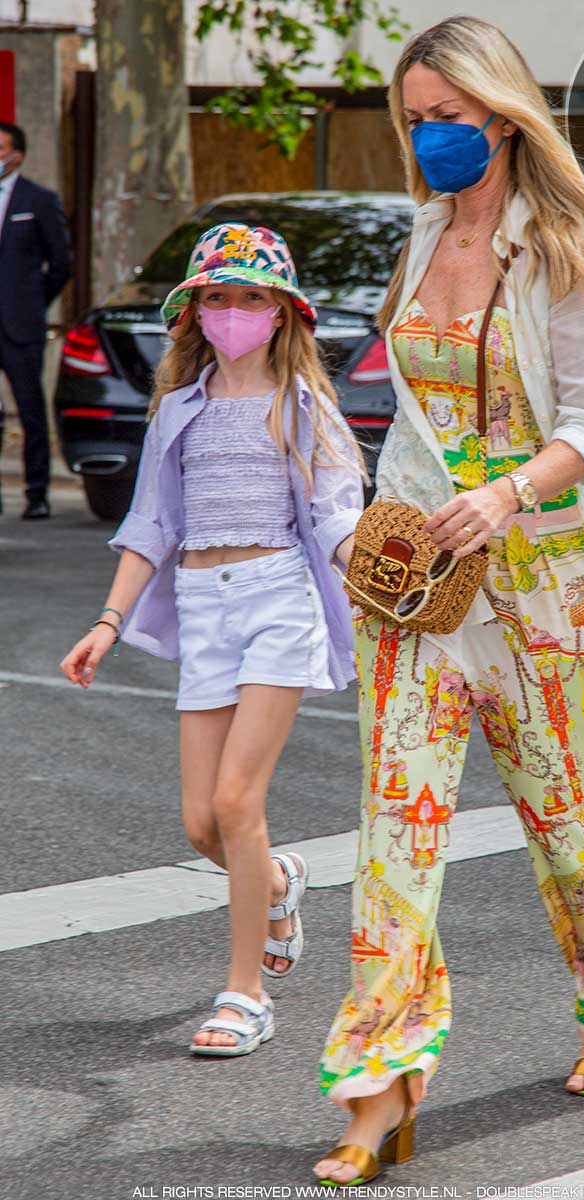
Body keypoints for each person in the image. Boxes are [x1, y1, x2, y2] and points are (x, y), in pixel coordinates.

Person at [313, 17, 584, 1185]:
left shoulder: (561, 247)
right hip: (420, 584)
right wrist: (366, 514)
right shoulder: (417, 233)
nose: (429, 137)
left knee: (572, 811)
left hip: (535, 578)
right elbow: (401, 406)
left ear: (500, 114)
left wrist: (502, 498)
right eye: (414, 119)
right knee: (396, 830)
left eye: (447, 116)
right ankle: (378, 1089)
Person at [60, 223, 365, 1056]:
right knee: (203, 825)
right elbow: (151, 525)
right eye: (218, 296)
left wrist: (378, 569)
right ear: (194, 313)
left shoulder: (306, 412)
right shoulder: (178, 413)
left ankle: (244, 994)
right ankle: (277, 882)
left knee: (238, 803)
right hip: (203, 604)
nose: (234, 311)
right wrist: (108, 622)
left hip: (278, 600)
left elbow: (340, 518)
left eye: (252, 297)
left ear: (282, 315)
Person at [0, 120, 73, 519]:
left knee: (30, 411)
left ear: (17, 155)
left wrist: (33, 302)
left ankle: (37, 494)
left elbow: (61, 263)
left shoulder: (39, 200)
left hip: (20, 324)